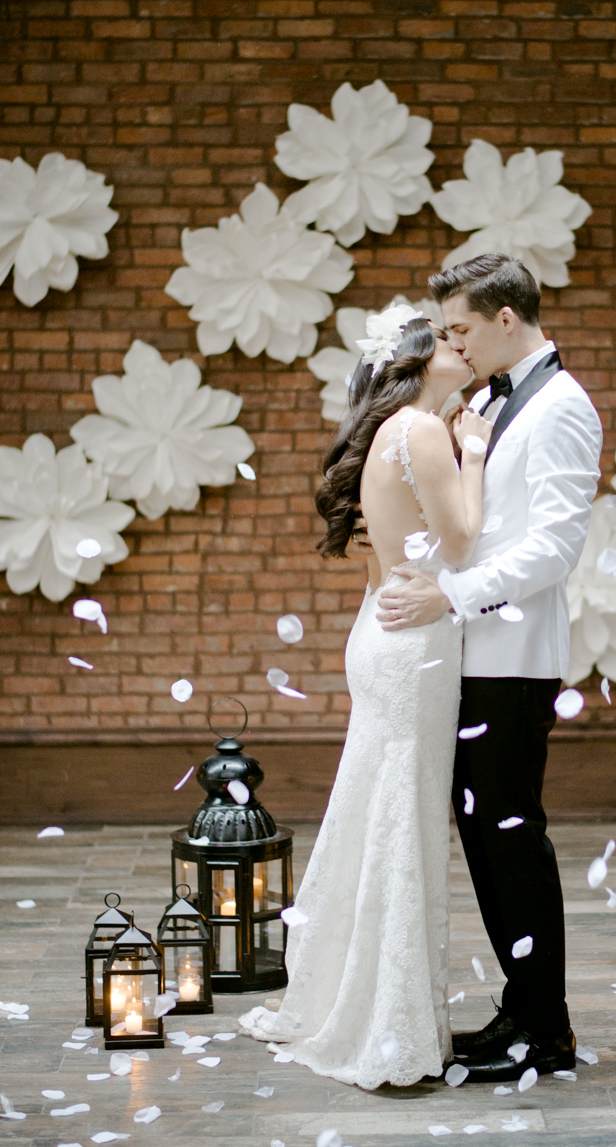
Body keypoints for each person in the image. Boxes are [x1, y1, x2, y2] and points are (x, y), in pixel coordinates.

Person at [239, 307, 491, 1089]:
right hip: (413, 647)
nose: (462, 346)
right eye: (447, 339)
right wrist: (476, 454)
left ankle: (365, 1001)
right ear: (413, 359)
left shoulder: (392, 431)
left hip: (383, 632)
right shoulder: (423, 431)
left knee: (380, 814)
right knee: (402, 823)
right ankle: (388, 1023)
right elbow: (461, 544)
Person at [376, 254, 603, 1082]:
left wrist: (452, 595)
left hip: (513, 659)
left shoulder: (563, 405)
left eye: (462, 328)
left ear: (508, 318)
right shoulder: (494, 401)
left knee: (511, 837)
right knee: (484, 836)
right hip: (472, 654)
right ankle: (522, 1004)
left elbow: (554, 547)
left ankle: (547, 1029)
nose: (456, 344)